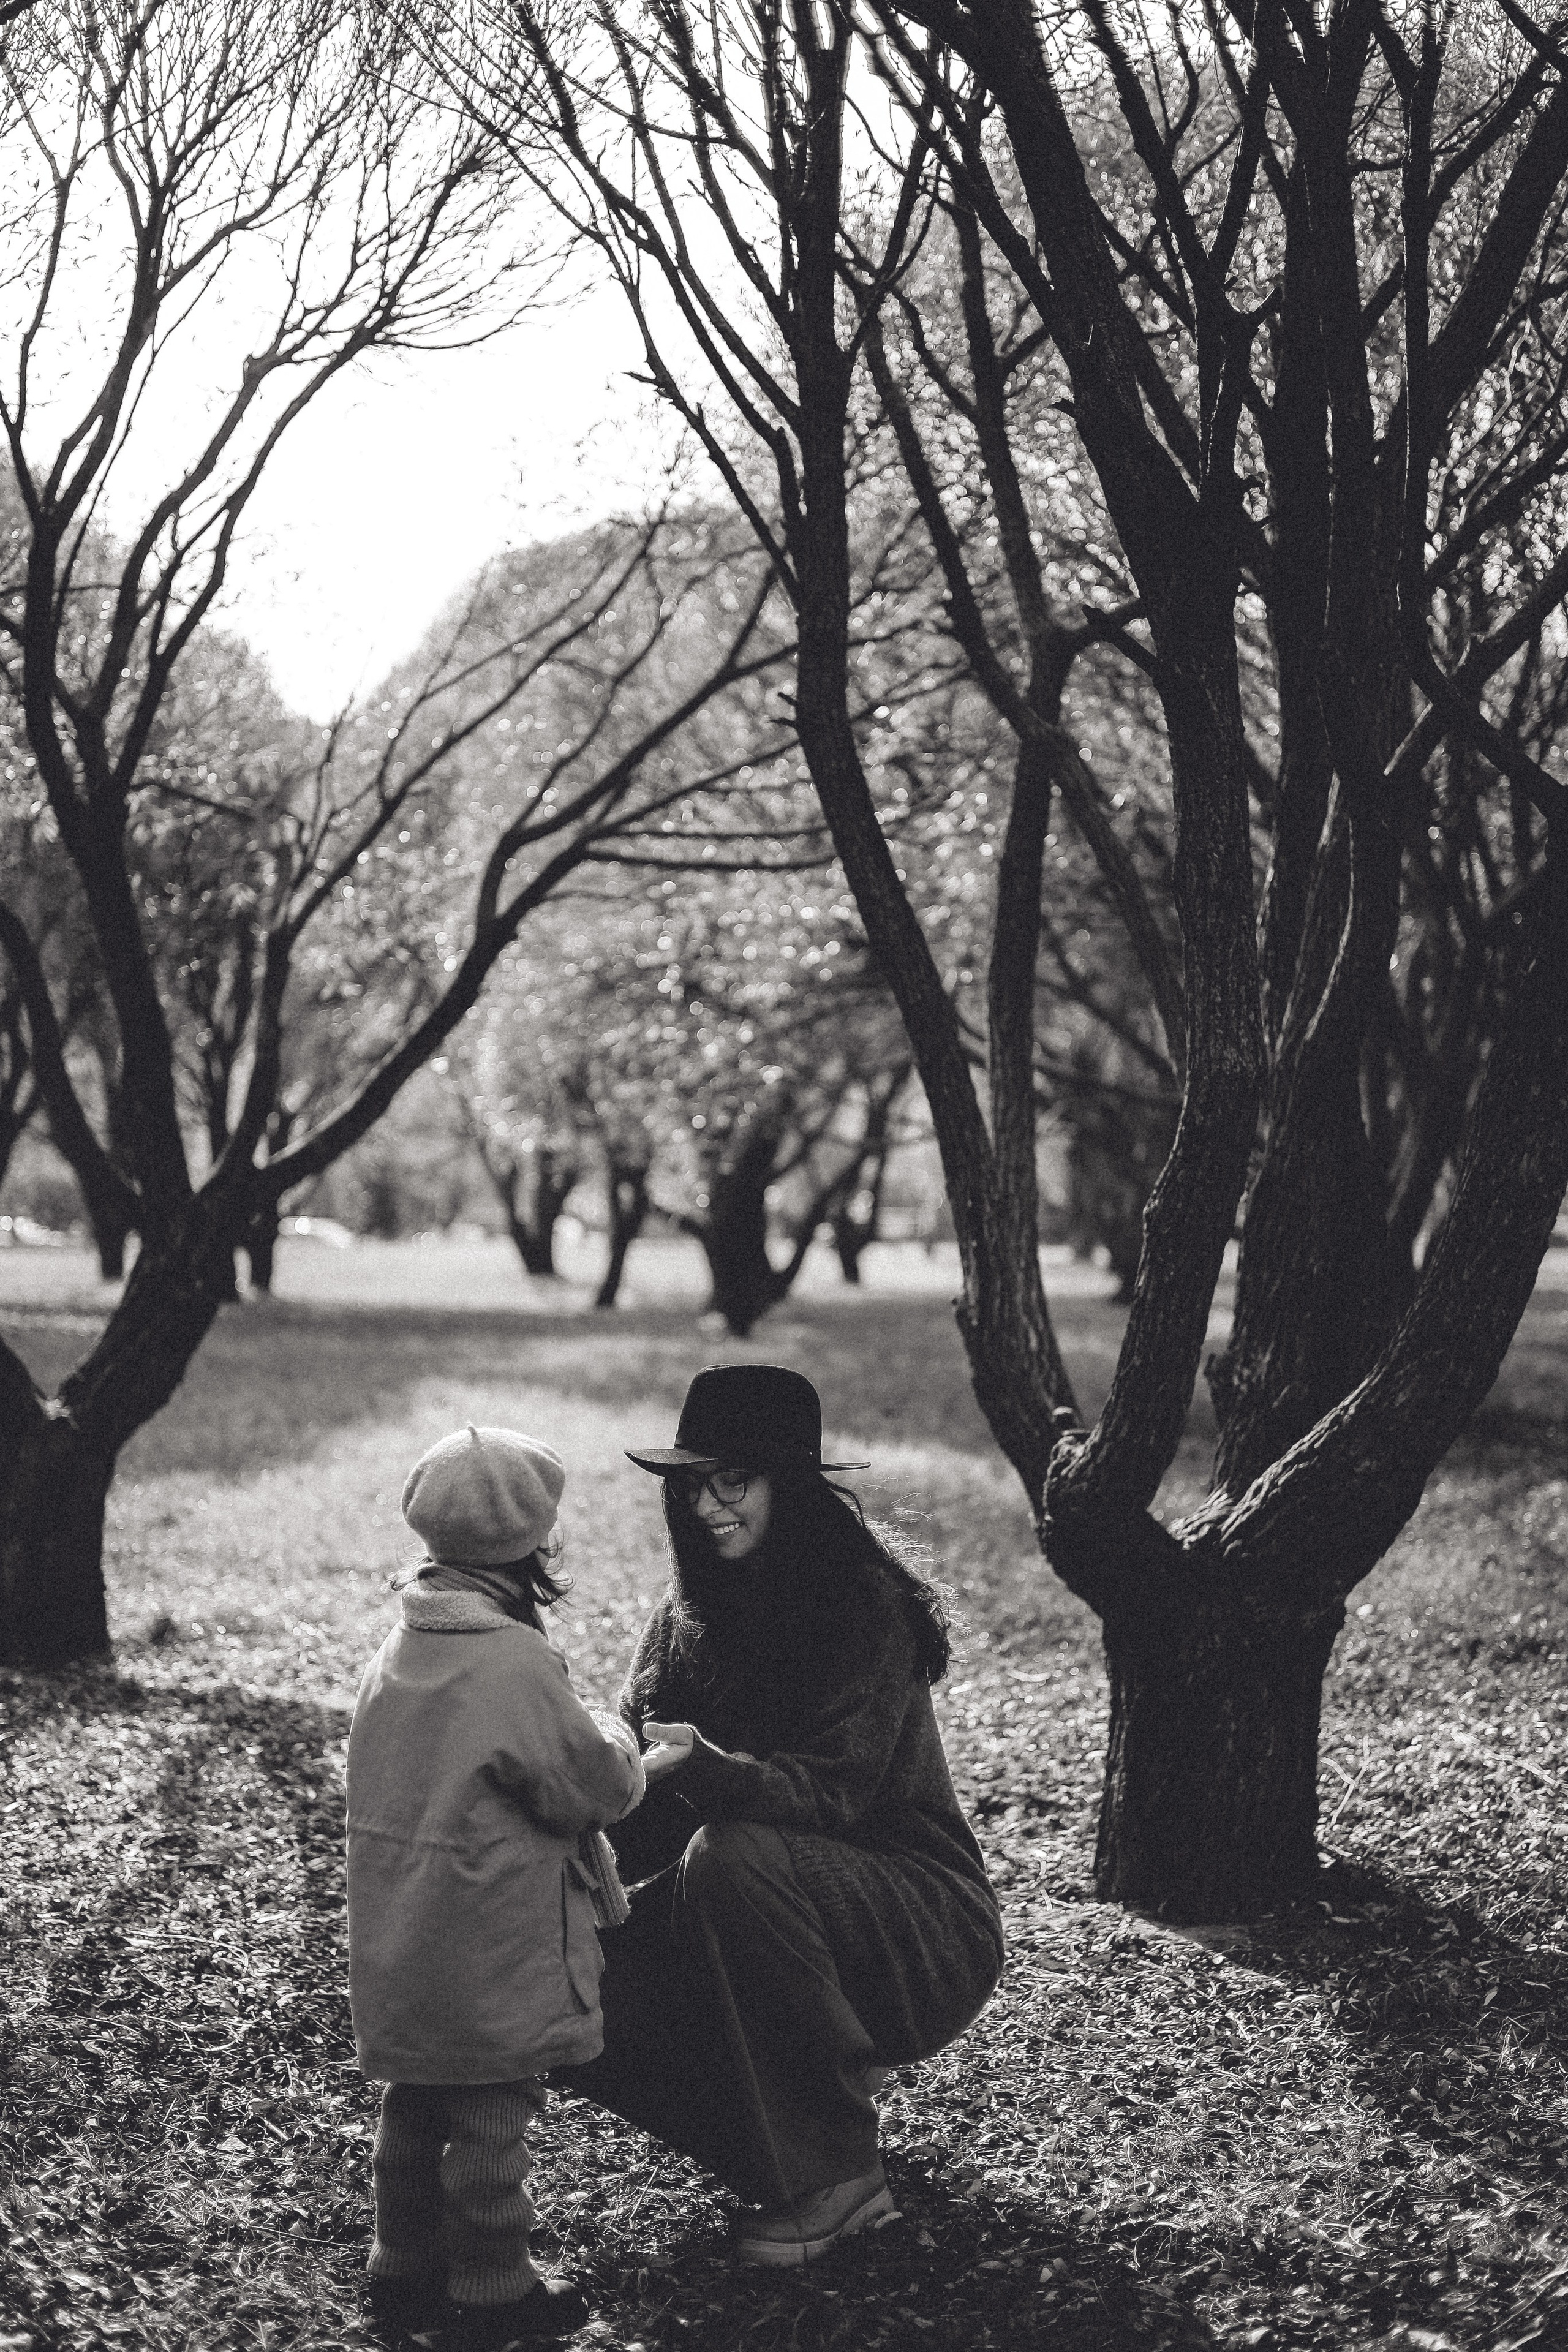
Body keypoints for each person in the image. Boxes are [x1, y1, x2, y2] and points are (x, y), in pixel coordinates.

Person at [556, 1363, 1004, 2266]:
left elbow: (832, 1795)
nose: (710, 1507)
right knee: (556, 1978)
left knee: (733, 1856)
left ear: (789, 1485)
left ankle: (840, 2179)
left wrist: (708, 1773)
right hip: (759, 1912)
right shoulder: (680, 1622)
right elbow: (638, 1815)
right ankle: (794, 2151)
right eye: (692, 1486)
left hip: (919, 1926)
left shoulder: (862, 1605)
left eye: (736, 1481)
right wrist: (560, 1844)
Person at [346, 1424, 645, 2349]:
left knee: (413, 2104)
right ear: (534, 1544)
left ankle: (402, 2266)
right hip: (489, 1942)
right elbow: (586, 1785)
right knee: (489, 2121)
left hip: (402, 1937)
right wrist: (626, 1742)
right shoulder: (512, 1663)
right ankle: (492, 2285)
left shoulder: (398, 1650)